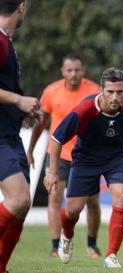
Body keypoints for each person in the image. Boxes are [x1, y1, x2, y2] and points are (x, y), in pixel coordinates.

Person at [43, 67, 123, 268]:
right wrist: (53, 173)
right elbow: (57, 139)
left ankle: (111, 255)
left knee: (122, 196)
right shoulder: (83, 110)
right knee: (73, 210)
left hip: (116, 159)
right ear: (101, 90)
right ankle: (67, 235)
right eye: (110, 91)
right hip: (85, 161)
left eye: (119, 91)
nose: (115, 97)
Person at [27, 53, 102, 258]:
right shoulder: (51, 92)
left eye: (77, 70)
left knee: (92, 201)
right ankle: (54, 246)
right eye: (69, 70)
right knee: (54, 198)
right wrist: (31, 150)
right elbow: (40, 124)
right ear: (62, 71)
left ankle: (92, 244)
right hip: (58, 154)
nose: (73, 74)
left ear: (83, 71)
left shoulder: (95, 91)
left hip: (86, 156)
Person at [0, 1, 39, 273]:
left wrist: (20, 110)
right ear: (21, 6)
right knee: (19, 199)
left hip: (11, 135)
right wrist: (19, 99)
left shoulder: (6, 41)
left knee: (22, 207)